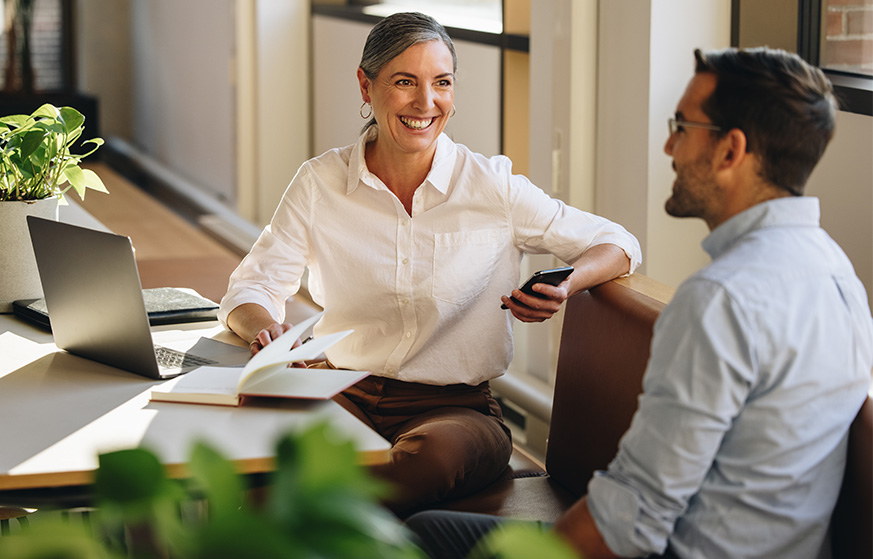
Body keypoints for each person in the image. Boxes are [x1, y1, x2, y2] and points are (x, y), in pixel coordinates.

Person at [405, 46, 873, 558]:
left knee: (423, 534)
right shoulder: (838, 273)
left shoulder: (721, 300)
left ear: (729, 151)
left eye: (682, 126)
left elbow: (629, 521)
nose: (670, 145)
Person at [218, 11, 641, 515]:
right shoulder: (319, 183)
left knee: (429, 460)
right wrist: (264, 328)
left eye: (442, 83)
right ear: (365, 85)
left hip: (455, 412)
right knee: (248, 433)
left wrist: (567, 285)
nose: (426, 102)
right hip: (340, 388)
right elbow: (252, 286)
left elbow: (617, 243)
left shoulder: (492, 187)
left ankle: (309, 519)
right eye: (404, 82)